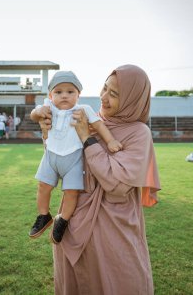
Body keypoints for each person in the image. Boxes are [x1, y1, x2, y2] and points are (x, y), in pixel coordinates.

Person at [37, 65, 161, 294]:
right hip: (71, 224)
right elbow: (60, 163)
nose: (103, 97)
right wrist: (48, 133)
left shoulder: (138, 133)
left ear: (132, 100)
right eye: (105, 88)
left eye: (114, 94)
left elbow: (116, 185)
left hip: (112, 232)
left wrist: (86, 137)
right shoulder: (89, 119)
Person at [29, 71, 122, 244]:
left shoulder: (83, 109)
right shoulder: (48, 107)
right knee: (43, 187)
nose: (64, 95)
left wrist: (110, 141)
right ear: (50, 95)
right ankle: (43, 216)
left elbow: (98, 125)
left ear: (78, 95)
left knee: (71, 193)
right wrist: (38, 111)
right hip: (50, 156)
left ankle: (62, 220)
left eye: (70, 92)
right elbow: (34, 114)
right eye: (58, 92)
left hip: (73, 159)